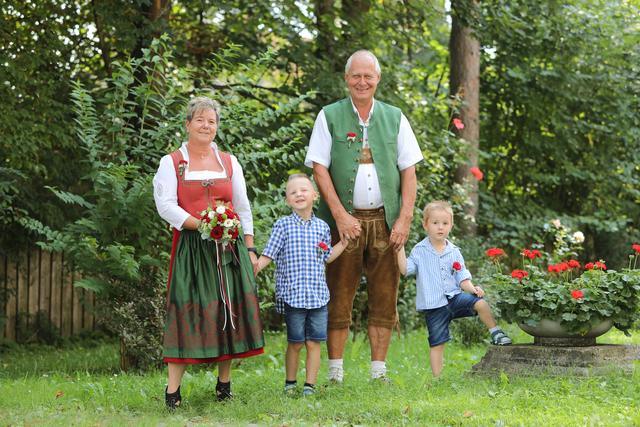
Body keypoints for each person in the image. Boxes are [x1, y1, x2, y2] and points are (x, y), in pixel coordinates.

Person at [305, 50, 423, 382]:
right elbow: (319, 168)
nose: (362, 81)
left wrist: (404, 219)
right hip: (344, 223)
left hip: (386, 221)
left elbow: (409, 173)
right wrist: (340, 216)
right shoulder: (329, 115)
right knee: (337, 293)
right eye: (356, 75)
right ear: (347, 79)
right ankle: (335, 372)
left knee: (385, 294)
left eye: (368, 76)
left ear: (378, 79)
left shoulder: (395, 116)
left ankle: (378, 371)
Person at [153, 96, 264, 409]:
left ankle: (224, 384)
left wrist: (250, 245)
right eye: (200, 120)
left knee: (227, 312)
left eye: (211, 121)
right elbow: (166, 206)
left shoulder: (229, 162)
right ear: (188, 124)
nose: (206, 126)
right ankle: (173, 391)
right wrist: (202, 225)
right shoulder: (172, 162)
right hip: (192, 249)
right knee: (187, 313)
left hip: (230, 247)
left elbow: (242, 206)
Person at [255, 174, 347, 396]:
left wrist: (343, 243)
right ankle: (290, 383)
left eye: (304, 190)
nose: (299, 194)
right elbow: (270, 253)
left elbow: (326, 256)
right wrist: (255, 268)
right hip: (293, 295)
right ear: (287, 200)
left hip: (318, 296)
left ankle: (310, 386)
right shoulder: (283, 226)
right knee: (295, 342)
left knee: (315, 342)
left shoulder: (322, 227)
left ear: (314, 196)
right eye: (293, 192)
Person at [397, 201, 512, 377]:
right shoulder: (419, 250)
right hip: (434, 305)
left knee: (480, 303)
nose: (440, 228)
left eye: (445, 223)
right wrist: (399, 249)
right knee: (437, 343)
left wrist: (473, 289)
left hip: (454, 298)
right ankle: (437, 379)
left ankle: (495, 332)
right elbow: (406, 269)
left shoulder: (454, 251)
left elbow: (462, 277)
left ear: (451, 225)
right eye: (435, 223)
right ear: (425, 224)